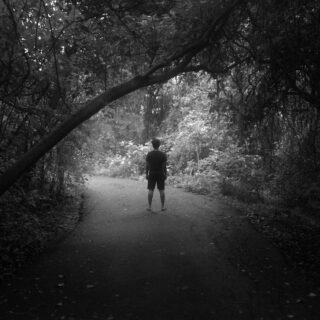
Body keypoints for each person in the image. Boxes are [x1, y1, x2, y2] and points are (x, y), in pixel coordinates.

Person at [146, 138, 167, 211]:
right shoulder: (163, 154)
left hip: (151, 173)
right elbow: (164, 166)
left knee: (150, 190)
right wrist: (165, 174)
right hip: (160, 173)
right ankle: (163, 207)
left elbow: (147, 166)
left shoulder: (149, 154)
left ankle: (149, 206)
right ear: (159, 145)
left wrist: (146, 174)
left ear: (152, 145)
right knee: (161, 190)